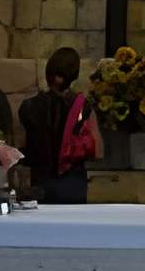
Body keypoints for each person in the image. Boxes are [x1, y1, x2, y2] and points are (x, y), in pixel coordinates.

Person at [17, 46, 101, 205]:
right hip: (73, 186)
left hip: (40, 185)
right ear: (74, 75)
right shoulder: (84, 106)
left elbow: (20, 148)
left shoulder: (28, 107)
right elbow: (98, 151)